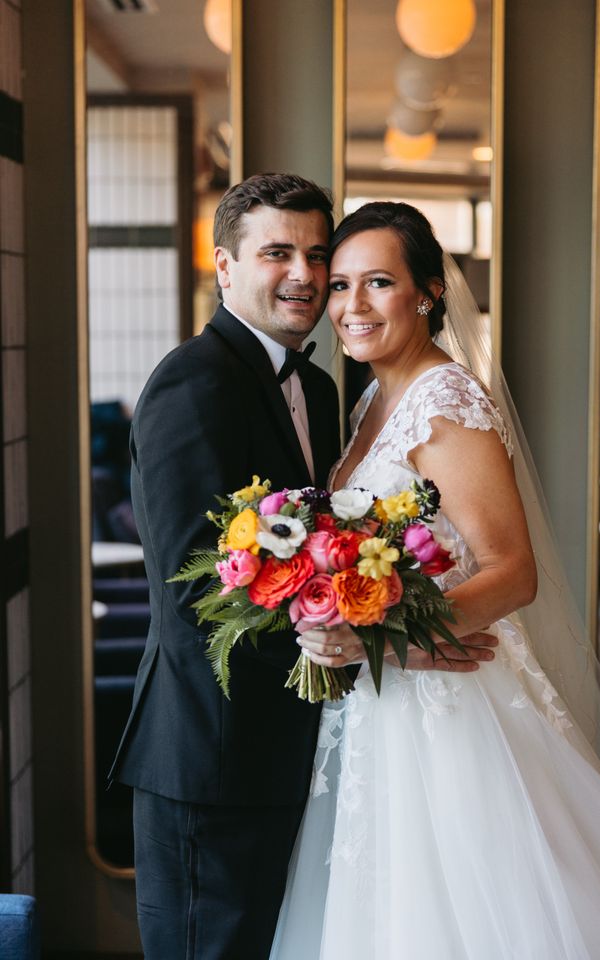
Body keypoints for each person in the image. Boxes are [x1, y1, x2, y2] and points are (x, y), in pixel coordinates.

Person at [108, 175, 497, 960]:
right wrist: (388, 642)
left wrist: (393, 637)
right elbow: (196, 590)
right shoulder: (192, 383)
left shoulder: (324, 391)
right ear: (225, 266)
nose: (305, 276)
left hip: (307, 751)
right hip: (211, 754)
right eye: (278, 252)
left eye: (318, 256)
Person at [270, 201, 600, 959]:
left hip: (454, 707)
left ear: (430, 293)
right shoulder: (375, 399)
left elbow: (513, 573)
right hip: (381, 703)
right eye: (339, 286)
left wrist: (377, 634)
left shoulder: (446, 400)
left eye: (378, 282)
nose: (353, 306)